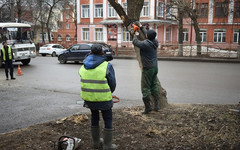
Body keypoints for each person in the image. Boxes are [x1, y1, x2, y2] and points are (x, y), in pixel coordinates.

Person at [79, 44, 117, 150]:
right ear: (102, 53)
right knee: (107, 119)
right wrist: (109, 92)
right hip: (104, 98)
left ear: (90, 53)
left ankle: (96, 143)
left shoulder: (83, 65)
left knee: (94, 117)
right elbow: (112, 84)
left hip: (89, 98)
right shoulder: (106, 66)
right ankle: (107, 146)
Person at [132, 24, 159, 114]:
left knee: (145, 88)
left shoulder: (145, 44)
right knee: (154, 85)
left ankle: (148, 107)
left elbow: (135, 42)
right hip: (155, 67)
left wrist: (135, 33)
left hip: (147, 69)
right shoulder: (155, 42)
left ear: (148, 36)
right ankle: (156, 106)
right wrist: (141, 27)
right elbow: (148, 34)